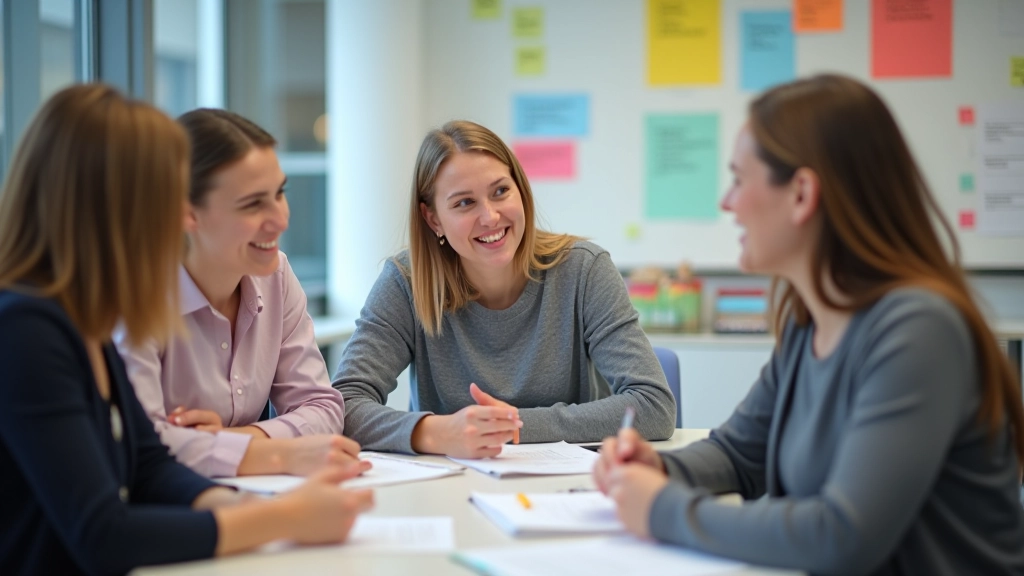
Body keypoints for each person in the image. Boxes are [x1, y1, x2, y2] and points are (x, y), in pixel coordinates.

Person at [593, 74, 1024, 575]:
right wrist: (661, 467)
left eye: (738, 179)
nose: (726, 203)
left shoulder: (919, 330)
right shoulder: (809, 321)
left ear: (801, 194)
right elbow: (738, 454)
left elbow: (843, 534)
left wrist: (662, 509)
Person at [0, 84, 373, 575]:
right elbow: (103, 534)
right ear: (109, 207)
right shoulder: (27, 330)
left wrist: (246, 508)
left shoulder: (83, 316)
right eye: (165, 200)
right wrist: (283, 517)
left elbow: (150, 466)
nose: (180, 220)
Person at [332, 120, 676, 458]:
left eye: (500, 191)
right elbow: (343, 406)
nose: (491, 217)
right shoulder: (406, 283)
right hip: (452, 489)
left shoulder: (584, 270)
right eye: (464, 203)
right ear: (433, 218)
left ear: (520, 190)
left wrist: (513, 426)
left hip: (569, 486)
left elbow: (653, 406)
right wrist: (436, 432)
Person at [116, 109, 356, 478]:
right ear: (188, 214)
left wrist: (234, 439)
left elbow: (322, 408)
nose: (281, 219)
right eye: (253, 203)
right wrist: (280, 454)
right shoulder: (135, 295)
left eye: (279, 193)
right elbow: (140, 444)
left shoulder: (275, 274)